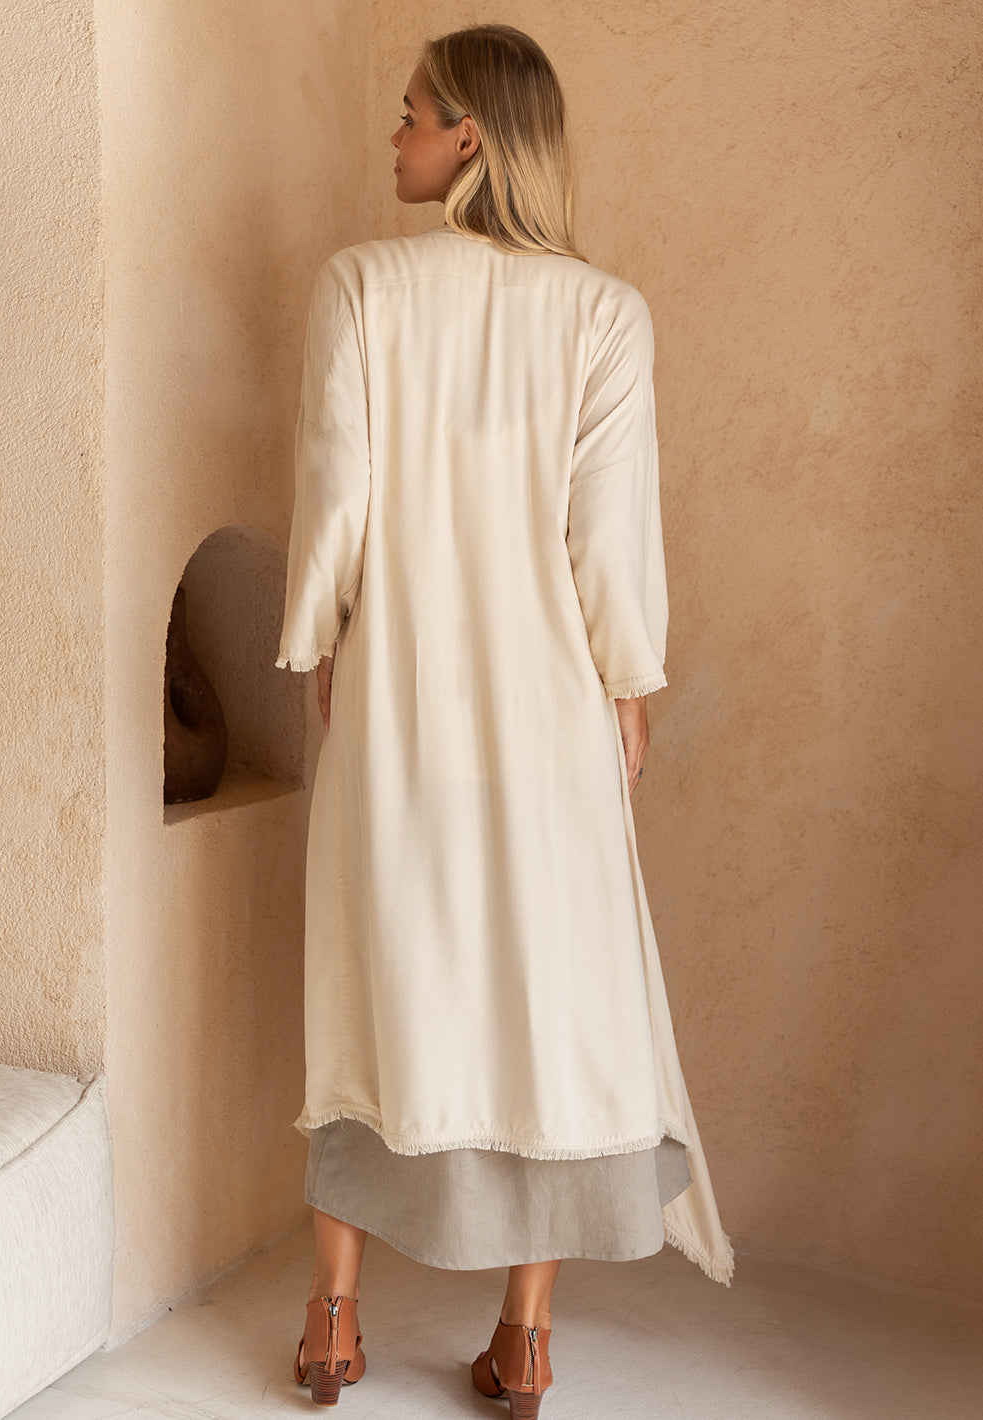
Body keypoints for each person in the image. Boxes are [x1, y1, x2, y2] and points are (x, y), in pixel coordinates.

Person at [277, 23, 733, 1415]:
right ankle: (524, 1341)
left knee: (371, 977)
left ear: (468, 136)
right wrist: (627, 686)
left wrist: (313, 653)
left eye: (412, 114)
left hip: (399, 709)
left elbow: (337, 501)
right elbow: (609, 541)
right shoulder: (605, 314)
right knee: (546, 998)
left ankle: (332, 1326)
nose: (394, 136)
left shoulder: (360, 285)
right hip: (549, 714)